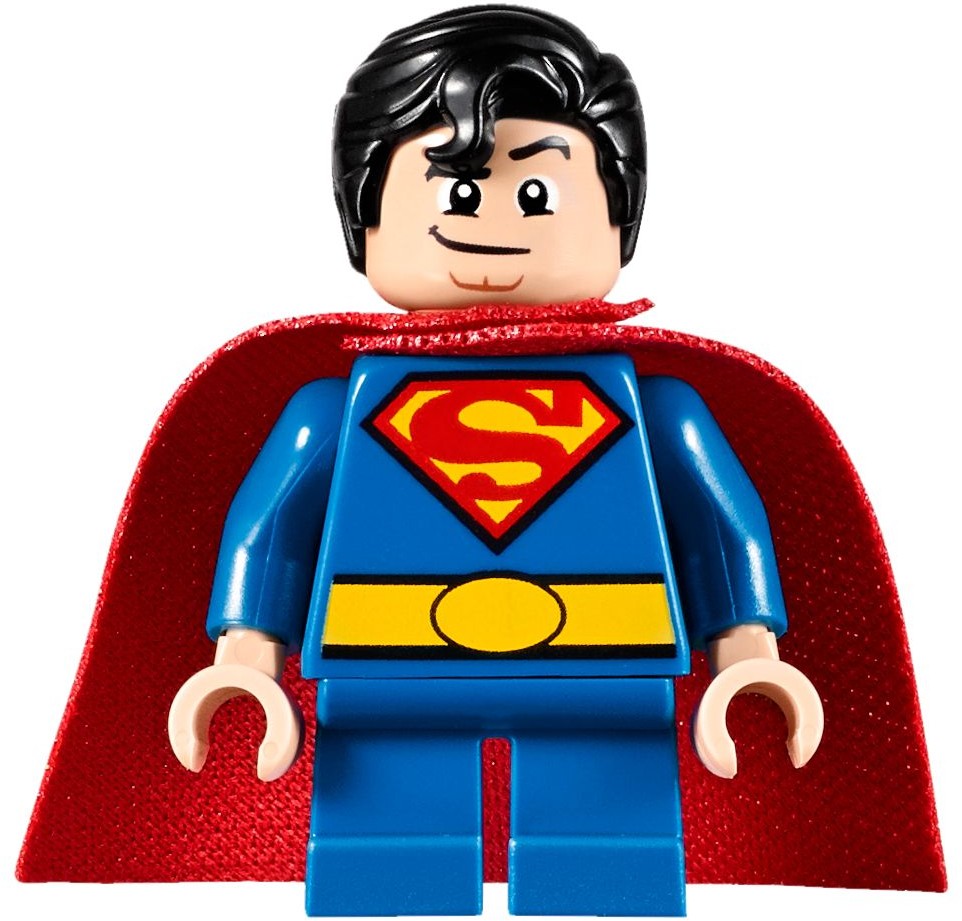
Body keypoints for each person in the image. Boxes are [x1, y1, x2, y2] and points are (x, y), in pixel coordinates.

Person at [168, 7, 821, 916]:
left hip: (607, 674)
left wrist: (747, 651)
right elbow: (269, 527)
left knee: (608, 860)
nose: (494, 223)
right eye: (459, 191)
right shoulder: (334, 411)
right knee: (383, 858)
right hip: (385, 673)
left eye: (539, 193)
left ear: (620, 218)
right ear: (364, 217)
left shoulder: (656, 410)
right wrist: (244, 659)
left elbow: (723, 523)